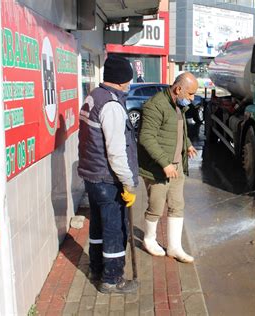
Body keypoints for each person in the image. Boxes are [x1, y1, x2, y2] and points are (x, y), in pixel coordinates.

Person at [77, 54, 139, 294]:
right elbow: (116, 151)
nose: (130, 84)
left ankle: (96, 268)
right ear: (122, 79)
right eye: (129, 79)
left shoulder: (94, 96)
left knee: (98, 227)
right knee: (115, 228)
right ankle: (112, 279)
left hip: (91, 176)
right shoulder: (111, 105)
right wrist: (128, 182)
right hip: (107, 178)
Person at [138, 72, 198, 263]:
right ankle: (149, 240)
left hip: (176, 167)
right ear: (178, 89)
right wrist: (164, 163)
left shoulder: (177, 106)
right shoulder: (155, 105)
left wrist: (187, 144)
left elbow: (178, 130)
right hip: (158, 169)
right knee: (156, 207)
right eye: (190, 94)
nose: (192, 98)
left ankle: (174, 247)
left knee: (177, 206)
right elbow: (146, 137)